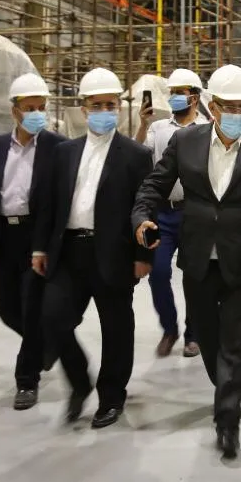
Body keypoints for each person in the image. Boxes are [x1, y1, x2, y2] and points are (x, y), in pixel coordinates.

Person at [132, 64, 241, 460]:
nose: (237, 114)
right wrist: (142, 216)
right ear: (213, 107)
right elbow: (155, 184)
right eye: (229, 107)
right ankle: (226, 387)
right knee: (206, 337)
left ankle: (228, 420)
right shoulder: (186, 141)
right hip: (198, 258)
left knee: (236, 340)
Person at [32, 67, 154, 429]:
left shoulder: (135, 154)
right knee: (53, 319)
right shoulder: (64, 152)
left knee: (116, 329)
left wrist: (143, 255)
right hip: (69, 251)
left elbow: (145, 207)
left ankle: (111, 397)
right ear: (83, 109)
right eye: (97, 105)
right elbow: (50, 204)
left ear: (118, 107)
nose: (104, 111)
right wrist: (40, 248)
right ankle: (80, 381)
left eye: (110, 104)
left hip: (114, 253)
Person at [0, 73, 64, 411]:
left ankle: (26, 380)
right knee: (5, 304)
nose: (37, 114)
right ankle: (46, 344)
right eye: (30, 108)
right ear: (14, 111)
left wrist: (51, 243)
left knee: (32, 307)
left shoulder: (57, 146)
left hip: (37, 237)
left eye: (41, 107)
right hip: (5, 236)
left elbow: (58, 199)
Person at [135, 68, 205, 359]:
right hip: (162, 213)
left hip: (194, 213)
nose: (175, 97)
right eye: (172, 92)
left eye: (181, 92)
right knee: (159, 272)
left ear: (195, 97)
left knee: (195, 276)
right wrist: (142, 124)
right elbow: (138, 153)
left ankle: (193, 335)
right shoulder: (158, 128)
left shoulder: (207, 128)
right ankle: (169, 329)